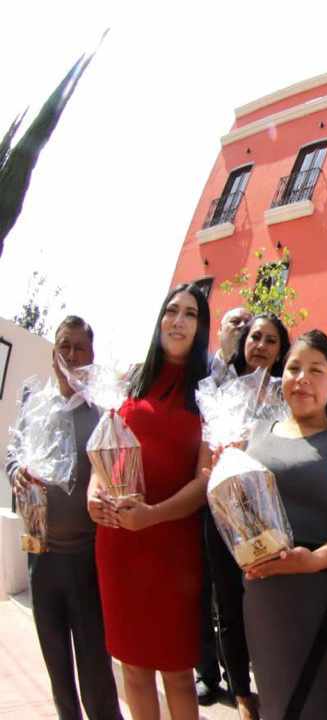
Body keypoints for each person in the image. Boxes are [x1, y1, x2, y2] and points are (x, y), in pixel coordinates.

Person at [89, 284, 213, 720]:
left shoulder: (209, 393)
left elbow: (204, 481)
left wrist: (154, 516)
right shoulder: (129, 379)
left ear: (201, 329)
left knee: (178, 672)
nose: (178, 321)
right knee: (133, 667)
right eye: (171, 311)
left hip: (173, 549)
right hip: (119, 542)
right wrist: (93, 496)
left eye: (190, 314)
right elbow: (102, 450)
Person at [240, 330, 327, 719]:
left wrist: (313, 560)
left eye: (316, 370)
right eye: (294, 368)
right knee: (275, 700)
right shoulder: (255, 435)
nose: (302, 378)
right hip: (263, 597)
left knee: (323, 704)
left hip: (320, 595)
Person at [5, 316, 122, 720]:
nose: (70, 355)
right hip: (40, 556)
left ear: (91, 357)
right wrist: (15, 471)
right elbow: (12, 454)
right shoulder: (34, 404)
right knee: (56, 665)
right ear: (53, 352)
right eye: (64, 346)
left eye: (79, 348)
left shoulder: (104, 414)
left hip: (85, 559)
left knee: (95, 668)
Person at [211, 313, 292, 719]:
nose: (260, 345)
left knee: (267, 600)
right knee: (228, 603)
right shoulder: (219, 391)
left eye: (271, 340)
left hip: (269, 513)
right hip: (223, 511)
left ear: (281, 350)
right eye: (255, 337)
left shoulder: (286, 394)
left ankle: (274, 680)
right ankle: (242, 691)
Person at [199, 306, 249, 704]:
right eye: (236, 322)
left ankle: (244, 681)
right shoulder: (210, 373)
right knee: (209, 594)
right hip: (208, 499)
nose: (244, 330)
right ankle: (213, 675)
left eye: (250, 325)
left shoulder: (268, 381)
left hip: (253, 508)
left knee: (241, 601)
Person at [207, 307, 251, 386]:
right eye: (236, 321)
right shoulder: (198, 365)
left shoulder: (253, 376)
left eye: (248, 323)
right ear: (220, 329)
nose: (243, 325)